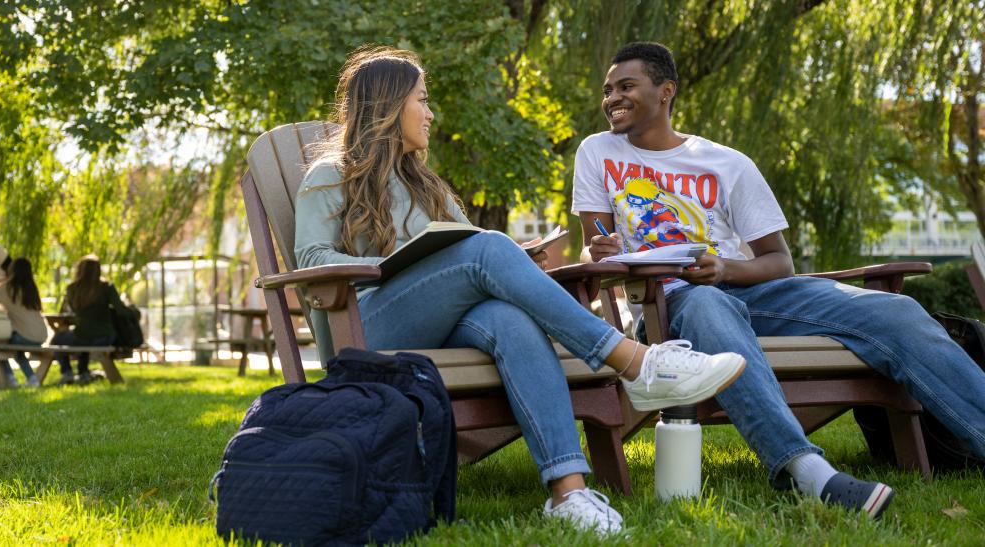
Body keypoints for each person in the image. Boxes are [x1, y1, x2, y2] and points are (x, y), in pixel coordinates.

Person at [294, 46, 748, 535]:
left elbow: (468, 251)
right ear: (387, 105)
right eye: (422, 101)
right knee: (489, 251)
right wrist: (392, 266)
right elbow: (311, 261)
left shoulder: (428, 186)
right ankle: (637, 363)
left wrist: (516, 262)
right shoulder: (332, 176)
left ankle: (568, 492)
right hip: (365, 326)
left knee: (509, 318)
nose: (430, 113)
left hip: (439, 326)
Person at [574, 41, 985, 519]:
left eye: (626, 86)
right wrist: (595, 250)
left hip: (751, 290)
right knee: (709, 303)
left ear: (666, 91)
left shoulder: (727, 162)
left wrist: (725, 268)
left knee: (897, 310)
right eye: (607, 90)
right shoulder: (598, 152)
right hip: (668, 307)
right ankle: (807, 472)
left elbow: (777, 261)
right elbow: (593, 248)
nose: (611, 98)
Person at [53, 255, 134, 385]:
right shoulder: (106, 287)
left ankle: (68, 372)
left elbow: (71, 315)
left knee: (58, 340)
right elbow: (121, 310)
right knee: (82, 337)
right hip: (105, 337)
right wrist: (135, 312)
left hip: (83, 336)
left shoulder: (72, 289)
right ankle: (83, 372)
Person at [0, 257, 47, 387]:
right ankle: (31, 378)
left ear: (11, 270)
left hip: (25, 336)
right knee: (15, 347)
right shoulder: (31, 288)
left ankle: (10, 377)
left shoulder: (6, 288)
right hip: (42, 335)